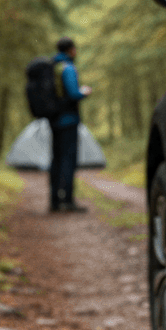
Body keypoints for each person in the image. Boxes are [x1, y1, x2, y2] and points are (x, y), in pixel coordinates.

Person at [49, 37, 91, 212]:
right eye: (75, 48)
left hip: (54, 120)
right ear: (70, 50)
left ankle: (55, 201)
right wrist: (85, 91)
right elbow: (73, 93)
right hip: (69, 121)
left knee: (57, 160)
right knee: (68, 160)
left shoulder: (53, 67)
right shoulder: (67, 68)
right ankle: (67, 200)